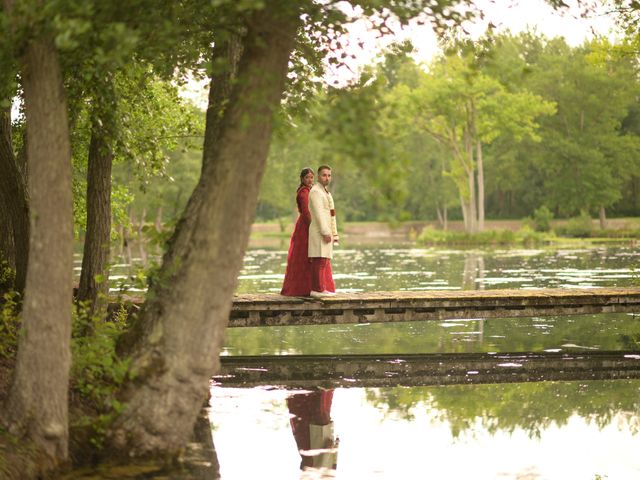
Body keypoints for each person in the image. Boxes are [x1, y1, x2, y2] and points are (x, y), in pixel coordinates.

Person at [281, 168, 315, 296]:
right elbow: (306, 213)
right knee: (304, 256)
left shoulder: (310, 191)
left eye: (312, 177)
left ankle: (311, 287)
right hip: (306, 227)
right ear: (302, 179)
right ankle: (302, 289)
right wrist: (313, 228)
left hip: (308, 224)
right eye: (307, 177)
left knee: (310, 256)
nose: (310, 180)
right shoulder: (303, 193)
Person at [308, 165, 338, 298]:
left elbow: (331, 214)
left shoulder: (326, 192)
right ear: (319, 176)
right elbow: (319, 214)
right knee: (319, 260)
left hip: (327, 231)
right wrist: (325, 232)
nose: (327, 178)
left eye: (329, 175)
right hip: (319, 231)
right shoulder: (315, 191)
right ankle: (317, 289)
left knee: (324, 260)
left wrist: (334, 232)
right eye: (324, 175)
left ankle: (321, 288)